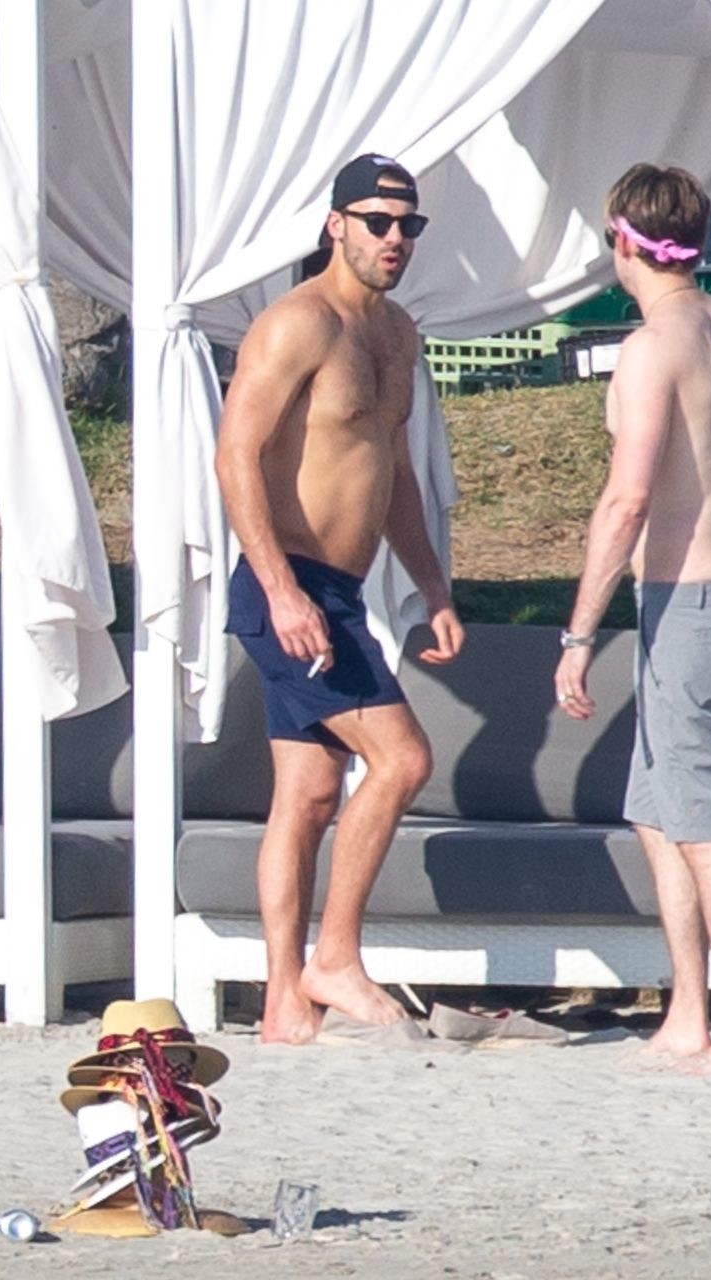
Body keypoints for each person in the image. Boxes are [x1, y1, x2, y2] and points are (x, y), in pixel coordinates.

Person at [553, 163, 711, 1073]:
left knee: (701, 820)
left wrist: (579, 635)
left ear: (623, 241)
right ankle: (689, 1015)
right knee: (658, 814)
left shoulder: (654, 347)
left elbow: (626, 501)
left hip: (690, 602)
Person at [214, 154, 463, 1044]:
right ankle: (336, 958)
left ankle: (285, 1003)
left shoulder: (398, 333)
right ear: (336, 225)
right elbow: (234, 456)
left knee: (312, 792)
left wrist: (432, 585)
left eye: (408, 225)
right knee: (402, 761)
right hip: (287, 587)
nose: (395, 239)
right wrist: (282, 591)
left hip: (341, 594)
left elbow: (391, 472)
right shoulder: (297, 324)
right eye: (377, 222)